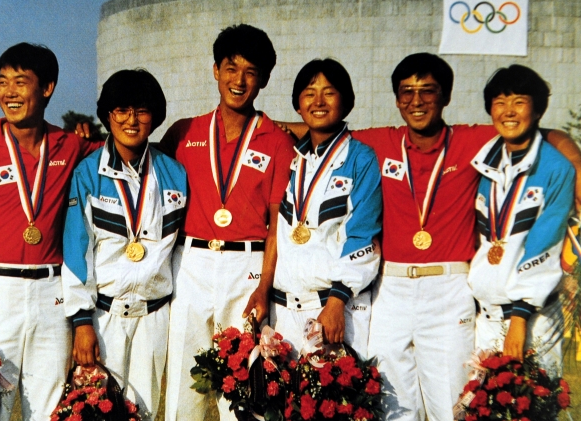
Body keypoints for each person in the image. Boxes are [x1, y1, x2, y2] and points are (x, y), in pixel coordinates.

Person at [282, 52, 581, 421]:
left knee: (451, 402)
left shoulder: (475, 141)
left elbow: (531, 128)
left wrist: (573, 156)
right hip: (389, 290)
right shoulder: (381, 143)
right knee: (391, 403)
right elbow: (320, 128)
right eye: (407, 91)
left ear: (446, 96)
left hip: (449, 287)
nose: (417, 100)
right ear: (396, 99)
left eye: (428, 90)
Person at [0, 43, 99, 421]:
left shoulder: (71, 145)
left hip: (52, 295)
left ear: (46, 88)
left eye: (20, 82)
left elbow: (128, 147)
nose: (9, 92)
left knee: (49, 407)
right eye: (2, 82)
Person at [158, 24, 295, 421]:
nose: (239, 80)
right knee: (187, 389)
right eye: (231, 68)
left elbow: (277, 225)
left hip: (247, 269)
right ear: (215, 70)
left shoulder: (275, 139)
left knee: (243, 389)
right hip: (192, 264)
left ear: (264, 79)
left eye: (251, 71)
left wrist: (265, 287)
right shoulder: (184, 132)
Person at [61, 69, 186, 419]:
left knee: (143, 413)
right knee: (97, 413)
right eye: (122, 110)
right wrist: (82, 322)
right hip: (104, 318)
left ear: (155, 116)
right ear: (108, 115)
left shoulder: (176, 174)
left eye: (142, 110)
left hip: (155, 316)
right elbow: (75, 251)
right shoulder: (87, 173)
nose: (132, 120)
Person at [270, 59, 382, 359]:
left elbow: (364, 234)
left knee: (333, 405)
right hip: (282, 309)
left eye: (329, 92)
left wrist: (336, 302)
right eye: (309, 92)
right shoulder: (291, 159)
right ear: (297, 105)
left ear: (346, 103)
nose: (318, 101)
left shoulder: (361, 158)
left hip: (332, 309)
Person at [469, 65, 574, 375]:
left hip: (531, 319)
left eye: (519, 101)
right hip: (485, 317)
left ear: (538, 109)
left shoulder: (557, 169)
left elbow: (546, 245)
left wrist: (519, 319)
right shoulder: (483, 163)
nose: (508, 111)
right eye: (500, 102)